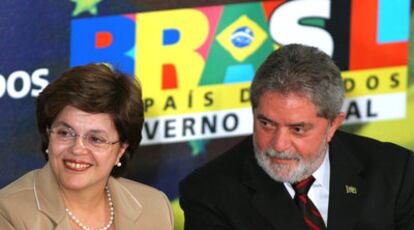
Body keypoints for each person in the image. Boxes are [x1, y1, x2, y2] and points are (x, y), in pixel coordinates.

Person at [179, 44, 414, 230]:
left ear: (333, 125)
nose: (279, 145)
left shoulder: (396, 172)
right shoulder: (208, 192)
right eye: (266, 124)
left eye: (298, 129)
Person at [0, 63, 174, 229]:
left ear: (121, 150)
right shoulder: (9, 213)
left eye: (96, 139)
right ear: (48, 134)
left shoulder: (155, 208)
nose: (77, 149)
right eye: (65, 133)